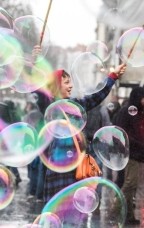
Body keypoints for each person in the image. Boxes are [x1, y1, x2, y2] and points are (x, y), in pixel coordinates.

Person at [34, 46, 126, 203]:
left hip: (76, 166)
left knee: (74, 212)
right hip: (59, 167)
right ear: (56, 86)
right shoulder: (49, 107)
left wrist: (112, 76)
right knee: (58, 210)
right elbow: (40, 91)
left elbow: (96, 97)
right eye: (66, 82)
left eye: (70, 82)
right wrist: (37, 63)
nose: (70, 86)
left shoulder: (74, 104)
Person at [113, 86, 144, 225]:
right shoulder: (126, 112)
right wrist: (138, 144)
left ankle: (128, 215)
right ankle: (116, 208)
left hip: (136, 153)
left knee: (132, 184)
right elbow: (123, 133)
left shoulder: (138, 113)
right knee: (131, 182)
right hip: (130, 152)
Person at [23, 101, 45, 200]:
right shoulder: (42, 115)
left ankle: (32, 191)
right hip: (39, 142)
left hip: (30, 142)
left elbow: (26, 130)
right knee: (40, 170)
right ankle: (39, 195)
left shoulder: (30, 115)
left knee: (32, 167)